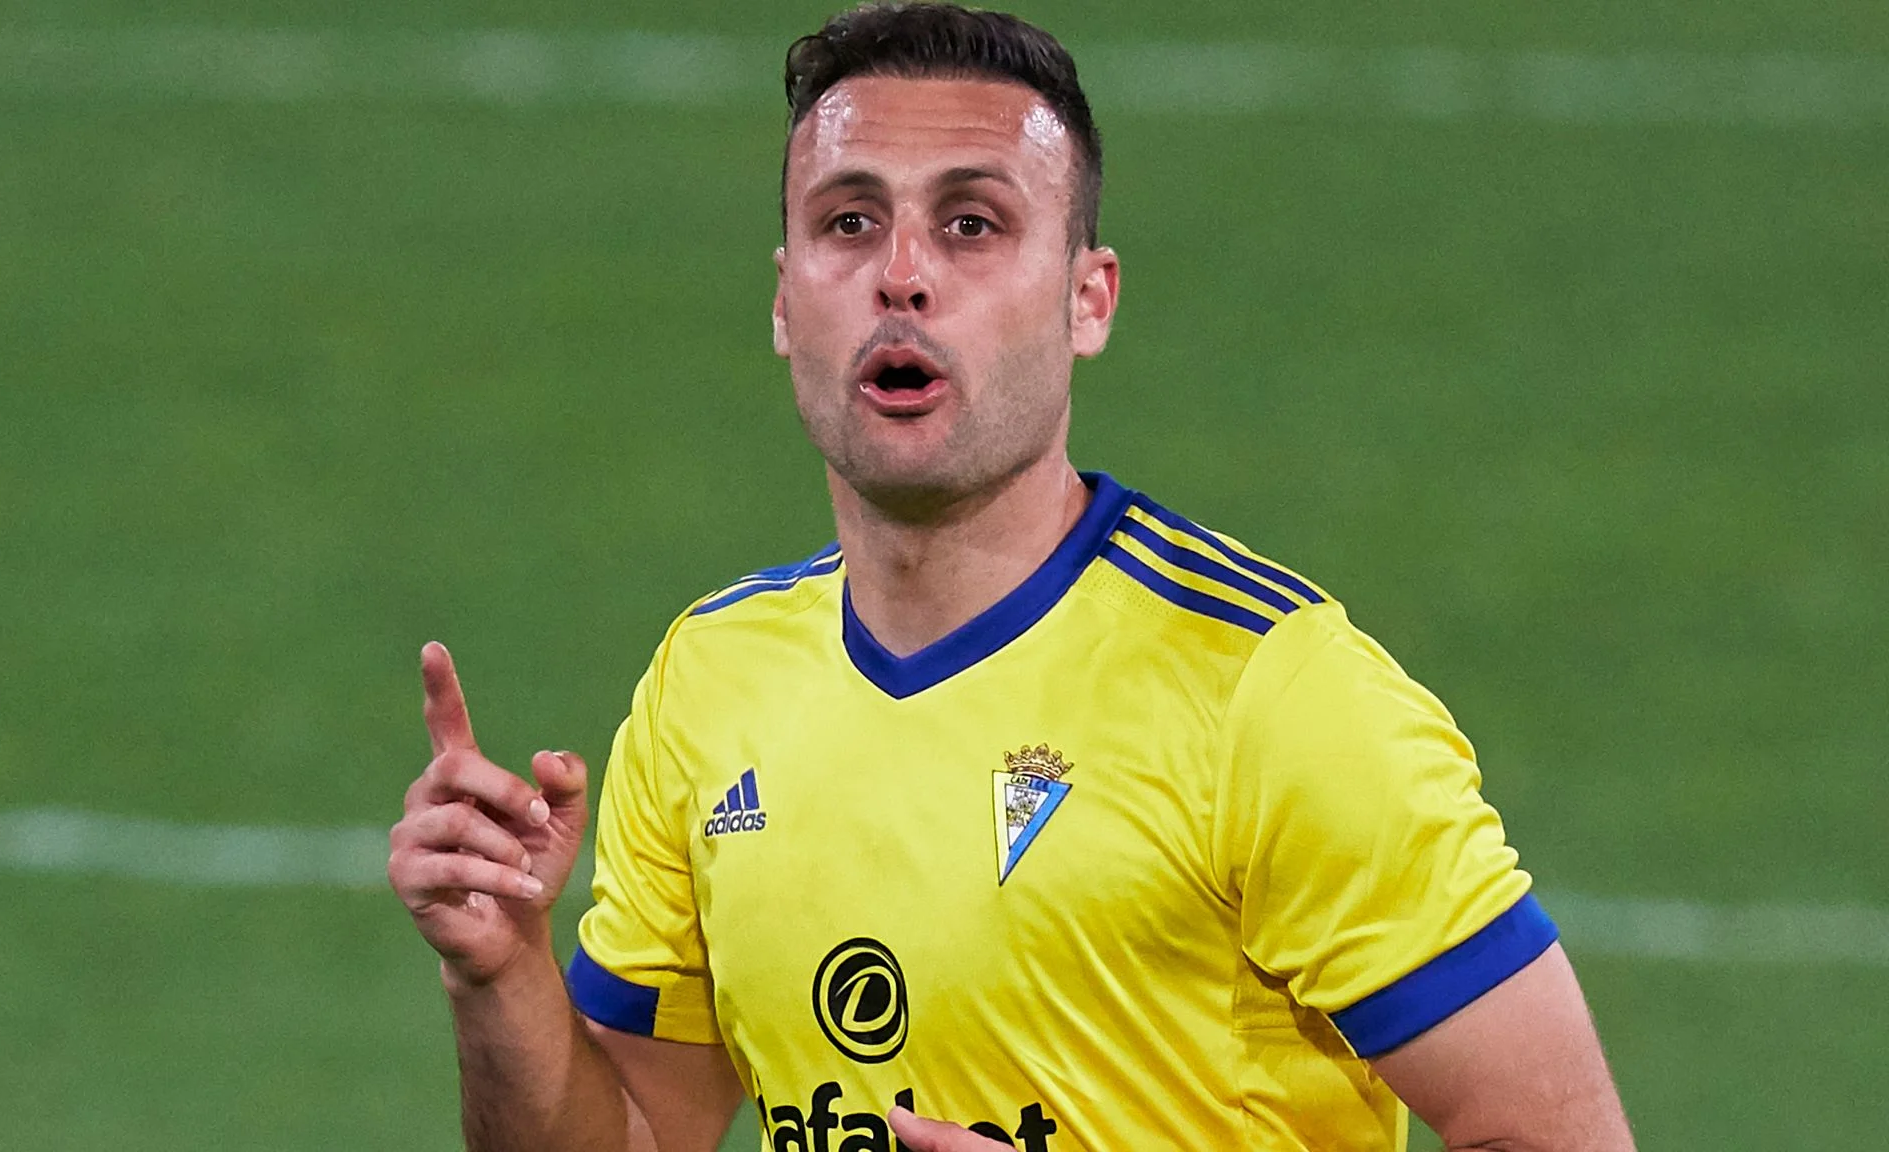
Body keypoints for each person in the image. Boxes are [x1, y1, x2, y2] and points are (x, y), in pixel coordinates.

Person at [387, 5, 1637, 1150]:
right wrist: (500, 975)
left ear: (1086, 299)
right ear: (782, 302)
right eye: (847, 221)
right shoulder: (706, 685)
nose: (901, 273)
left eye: (970, 223)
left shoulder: (1269, 692)